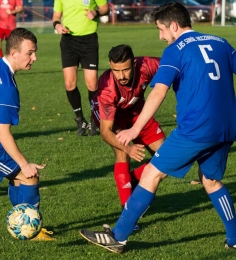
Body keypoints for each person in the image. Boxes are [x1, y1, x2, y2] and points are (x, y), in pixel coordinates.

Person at [79, 2, 236, 253]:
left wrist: (134, 129)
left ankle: (118, 237)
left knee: (152, 173)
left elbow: (158, 93)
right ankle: (234, 237)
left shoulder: (175, 50)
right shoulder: (221, 42)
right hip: (227, 126)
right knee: (211, 180)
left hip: (196, 128)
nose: (161, 36)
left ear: (174, 26)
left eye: (161, 29)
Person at [0, 28, 55, 241]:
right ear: (13, 53)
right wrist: (25, 164)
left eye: (34, 52)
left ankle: (22, 219)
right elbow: (3, 134)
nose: (35, 58)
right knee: (29, 176)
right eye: (29, 53)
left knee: (18, 176)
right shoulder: (7, 88)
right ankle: (29, 228)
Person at [91, 44, 165, 224]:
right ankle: (128, 212)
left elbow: (173, 69)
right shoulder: (107, 88)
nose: (121, 76)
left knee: (167, 159)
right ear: (110, 64)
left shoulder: (147, 65)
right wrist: (129, 148)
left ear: (134, 63)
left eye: (125, 69)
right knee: (122, 151)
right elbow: (106, 131)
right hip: (112, 119)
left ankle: (130, 178)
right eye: (116, 70)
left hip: (138, 113)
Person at [52, 0, 109, 136]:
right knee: (69, 83)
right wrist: (57, 25)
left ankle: (94, 119)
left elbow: (105, 9)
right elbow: (55, 17)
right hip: (68, 41)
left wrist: (96, 12)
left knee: (92, 83)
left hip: (89, 41)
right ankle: (80, 119)